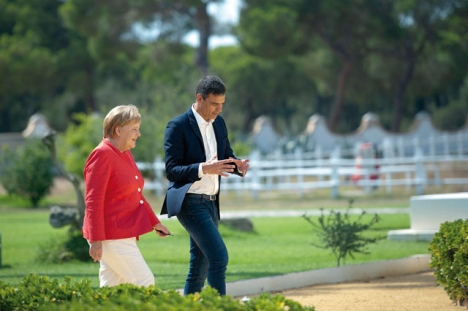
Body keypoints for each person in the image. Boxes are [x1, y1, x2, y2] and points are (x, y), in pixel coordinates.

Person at [161, 76, 250, 296]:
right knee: (219, 257)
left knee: (199, 267)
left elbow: (225, 155)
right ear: (199, 98)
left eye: (222, 104)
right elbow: (172, 171)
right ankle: (219, 306)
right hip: (189, 202)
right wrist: (203, 168)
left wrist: (237, 165)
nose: (219, 109)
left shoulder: (219, 123)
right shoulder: (177, 126)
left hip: (212, 204)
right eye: (214, 104)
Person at [82, 104, 171, 288]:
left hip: (121, 234)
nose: (138, 134)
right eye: (135, 129)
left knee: (112, 291)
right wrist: (95, 240)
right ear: (118, 130)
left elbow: (135, 194)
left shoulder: (124, 153)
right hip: (111, 236)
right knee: (145, 282)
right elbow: (93, 201)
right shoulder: (102, 154)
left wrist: (155, 222)